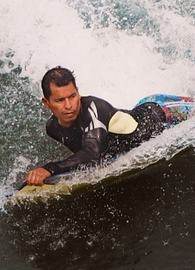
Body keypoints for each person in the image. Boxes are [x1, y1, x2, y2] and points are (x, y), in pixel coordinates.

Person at [26, 67, 167, 186]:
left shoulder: (94, 109)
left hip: (160, 113)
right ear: (46, 103)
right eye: (60, 100)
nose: (69, 105)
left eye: (73, 96)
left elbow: (92, 153)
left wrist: (49, 169)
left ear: (78, 92)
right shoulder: (53, 129)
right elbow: (86, 156)